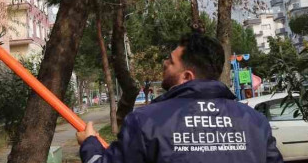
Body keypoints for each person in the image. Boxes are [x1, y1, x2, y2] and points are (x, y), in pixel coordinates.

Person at [77, 33, 283, 163]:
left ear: (187, 76)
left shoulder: (145, 122)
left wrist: (90, 144)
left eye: (171, 61)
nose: (164, 64)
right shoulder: (255, 122)